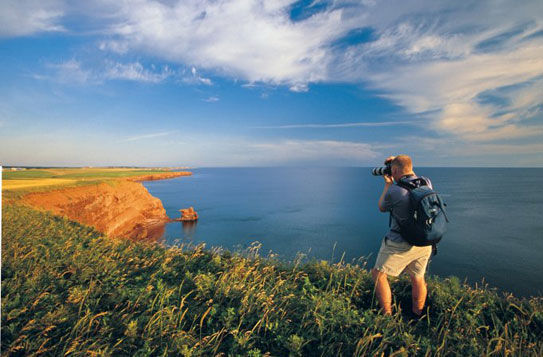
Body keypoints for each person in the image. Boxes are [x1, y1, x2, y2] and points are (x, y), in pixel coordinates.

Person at [372, 154, 433, 317]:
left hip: (400, 243)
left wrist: (387, 184)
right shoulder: (426, 182)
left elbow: (381, 207)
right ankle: (417, 313)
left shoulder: (394, 190)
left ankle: (386, 316)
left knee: (378, 275)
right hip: (424, 241)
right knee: (418, 278)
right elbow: (408, 172)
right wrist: (398, 164)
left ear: (395, 170)